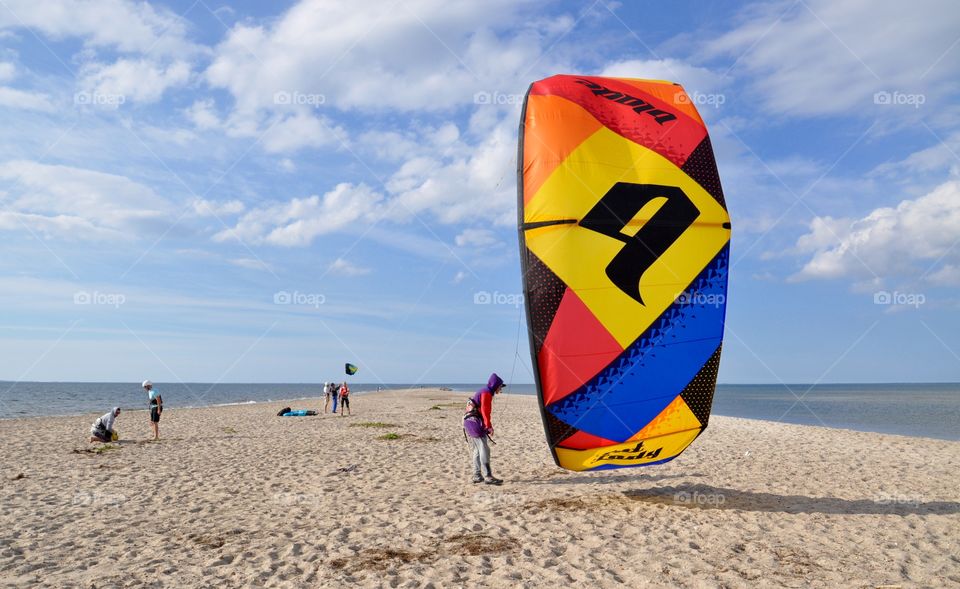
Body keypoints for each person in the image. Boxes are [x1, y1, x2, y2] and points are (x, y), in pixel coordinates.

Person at [463, 373, 504, 485]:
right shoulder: (486, 393)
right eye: (500, 386)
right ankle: (488, 476)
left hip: (469, 422)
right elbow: (485, 412)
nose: (501, 389)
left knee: (477, 449)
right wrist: (489, 427)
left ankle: (477, 475)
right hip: (474, 423)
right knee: (485, 449)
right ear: (495, 385)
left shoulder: (485, 390)